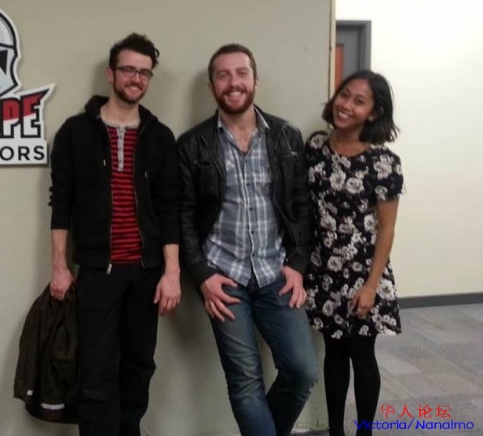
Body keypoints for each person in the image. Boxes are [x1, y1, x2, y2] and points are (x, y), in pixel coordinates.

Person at [178, 43, 318, 436]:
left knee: (303, 371)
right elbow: (183, 217)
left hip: (277, 275)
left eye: (241, 73)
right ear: (212, 87)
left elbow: (301, 207)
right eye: (223, 75)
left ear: (256, 80)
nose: (233, 82)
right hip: (223, 279)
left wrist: (298, 264)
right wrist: (202, 274)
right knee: (244, 383)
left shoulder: (286, 137)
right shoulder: (192, 144)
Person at [48, 33, 181, 436]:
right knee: (95, 371)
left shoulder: (160, 136)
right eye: (128, 69)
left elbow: (169, 207)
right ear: (110, 74)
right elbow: (61, 203)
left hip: (146, 272)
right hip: (96, 272)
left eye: (144, 72)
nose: (136, 78)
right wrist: (59, 267)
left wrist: (171, 272)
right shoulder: (75, 133)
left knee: (139, 366)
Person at [303, 70, 404, 436]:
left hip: (365, 271)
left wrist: (372, 285)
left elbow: (386, 228)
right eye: (344, 95)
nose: (346, 104)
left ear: (373, 113)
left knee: (362, 354)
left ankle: (364, 431)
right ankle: (335, 431)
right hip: (323, 269)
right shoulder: (315, 147)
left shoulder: (384, 162)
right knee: (333, 354)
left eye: (359, 101)